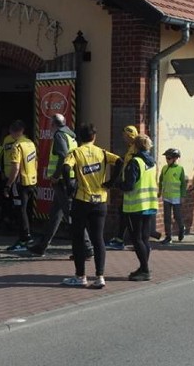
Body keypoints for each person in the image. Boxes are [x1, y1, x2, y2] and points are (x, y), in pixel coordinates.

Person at [61, 123, 122, 288]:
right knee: (98, 239)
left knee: (78, 238)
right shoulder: (101, 152)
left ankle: (80, 276)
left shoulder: (75, 152)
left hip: (81, 200)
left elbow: (66, 167)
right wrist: (111, 182)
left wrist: (69, 186)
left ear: (79, 138)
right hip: (100, 200)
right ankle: (100, 276)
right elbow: (120, 161)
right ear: (94, 137)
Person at [27, 114, 93, 259]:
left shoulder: (59, 136)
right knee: (55, 216)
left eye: (50, 124)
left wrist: (56, 175)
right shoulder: (71, 136)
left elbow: (63, 156)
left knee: (72, 215)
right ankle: (41, 246)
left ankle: (87, 248)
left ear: (53, 124)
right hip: (68, 180)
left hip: (63, 181)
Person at [121, 134, 158, 281]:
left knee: (136, 239)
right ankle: (143, 267)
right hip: (149, 204)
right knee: (144, 238)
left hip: (135, 205)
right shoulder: (152, 162)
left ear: (134, 146)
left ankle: (145, 270)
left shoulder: (135, 162)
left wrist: (118, 185)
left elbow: (129, 185)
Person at [4, 120, 39, 251]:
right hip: (32, 181)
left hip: (20, 183)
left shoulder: (16, 146)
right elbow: (35, 162)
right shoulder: (30, 143)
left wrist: (8, 184)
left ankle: (24, 238)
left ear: (13, 132)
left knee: (20, 210)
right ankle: (28, 235)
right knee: (27, 210)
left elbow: (15, 167)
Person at [106, 125, 139, 251]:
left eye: (125, 135)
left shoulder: (135, 149)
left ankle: (133, 241)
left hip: (133, 188)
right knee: (124, 212)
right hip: (128, 187)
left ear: (129, 135)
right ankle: (123, 239)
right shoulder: (131, 148)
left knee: (127, 214)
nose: (123, 138)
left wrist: (125, 183)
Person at [159, 148, 187, 244]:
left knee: (177, 216)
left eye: (169, 158)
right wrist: (159, 191)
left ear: (175, 158)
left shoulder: (180, 169)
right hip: (167, 196)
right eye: (166, 158)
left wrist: (183, 196)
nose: (167, 160)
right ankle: (168, 236)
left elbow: (183, 183)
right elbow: (161, 180)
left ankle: (181, 227)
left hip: (176, 197)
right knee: (167, 217)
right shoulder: (164, 168)